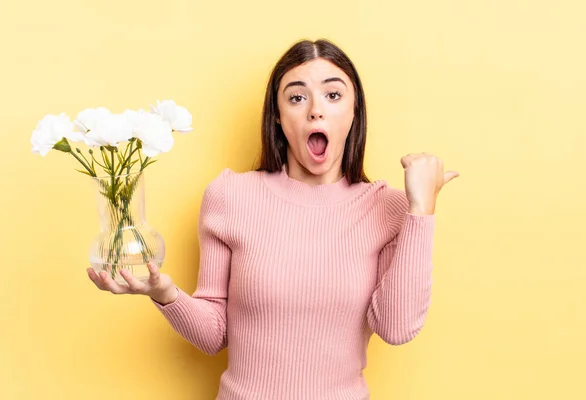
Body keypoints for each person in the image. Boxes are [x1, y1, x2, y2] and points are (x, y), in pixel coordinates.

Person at [86, 38, 459, 400]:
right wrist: (164, 294)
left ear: (353, 113)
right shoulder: (230, 196)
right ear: (279, 118)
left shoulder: (388, 208)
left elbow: (396, 328)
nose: (316, 110)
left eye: (333, 95)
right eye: (297, 97)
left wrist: (421, 211)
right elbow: (215, 334)